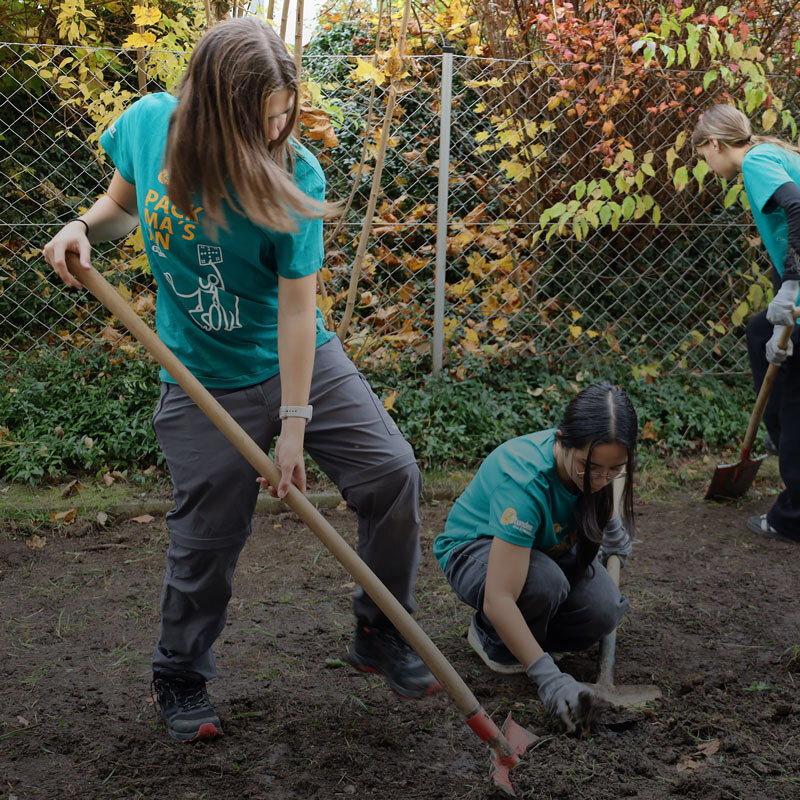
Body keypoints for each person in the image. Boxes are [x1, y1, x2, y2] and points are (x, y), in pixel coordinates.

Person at [42, 17, 439, 743]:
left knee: (391, 472)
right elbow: (122, 207)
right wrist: (81, 228)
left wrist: (295, 424)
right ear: (211, 110)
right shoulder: (150, 125)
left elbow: (297, 310)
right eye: (261, 119)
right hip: (201, 376)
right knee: (208, 536)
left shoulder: (295, 174)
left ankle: (381, 629)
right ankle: (179, 673)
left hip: (296, 360)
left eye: (284, 114)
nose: (276, 132)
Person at [433, 382, 636, 732]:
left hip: (543, 549)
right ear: (562, 440)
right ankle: (493, 638)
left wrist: (612, 525)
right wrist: (550, 679)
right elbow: (499, 598)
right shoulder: (525, 480)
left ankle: (527, 637)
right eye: (590, 468)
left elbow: (603, 478)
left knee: (603, 609)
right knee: (543, 583)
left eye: (614, 469)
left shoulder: (597, 465)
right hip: (475, 551)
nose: (602, 480)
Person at [693, 104, 800, 543]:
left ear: (714, 143)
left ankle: (792, 517)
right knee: (760, 332)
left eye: (703, 156)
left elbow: (798, 209)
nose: (706, 165)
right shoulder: (774, 153)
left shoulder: (756, 162)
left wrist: (792, 285)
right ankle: (777, 430)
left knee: (794, 397)